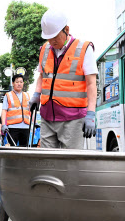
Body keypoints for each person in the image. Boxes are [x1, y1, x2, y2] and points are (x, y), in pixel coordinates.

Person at [29, 8, 97, 149]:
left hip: (73, 118)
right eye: (48, 37)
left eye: (55, 37)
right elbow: (42, 76)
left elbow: (91, 84)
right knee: (47, 162)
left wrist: (91, 113)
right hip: (47, 116)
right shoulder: (44, 50)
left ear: (66, 29)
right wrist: (36, 94)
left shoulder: (84, 49)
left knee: (70, 163)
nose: (52, 41)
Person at [1, 74, 30, 146]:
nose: (19, 84)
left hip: (26, 127)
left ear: (23, 83)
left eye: (21, 82)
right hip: (13, 127)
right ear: (13, 83)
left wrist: (33, 123)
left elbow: (30, 110)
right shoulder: (8, 95)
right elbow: (4, 110)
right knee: (12, 148)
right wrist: (3, 125)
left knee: (25, 149)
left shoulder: (27, 95)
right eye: (17, 82)